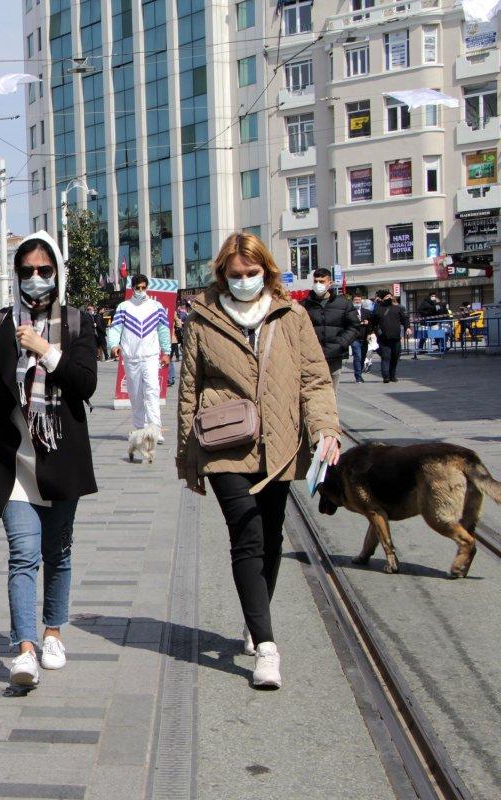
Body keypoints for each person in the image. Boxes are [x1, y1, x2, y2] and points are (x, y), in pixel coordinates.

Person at [176, 232, 340, 690]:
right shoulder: (203, 320)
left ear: (266, 272)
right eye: (236, 275)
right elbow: (189, 387)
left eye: (252, 274)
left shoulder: (292, 316)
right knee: (245, 534)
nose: (244, 282)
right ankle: (267, 648)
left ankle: (255, 618)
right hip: (225, 443)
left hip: (282, 442)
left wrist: (325, 428)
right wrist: (188, 460)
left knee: (270, 537)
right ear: (222, 276)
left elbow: (314, 379)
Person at [0, 231, 97, 688]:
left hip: (61, 456)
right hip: (12, 460)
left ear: (57, 274)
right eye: (27, 272)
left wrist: (47, 351)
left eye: (44, 271)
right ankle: (24, 648)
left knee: (56, 553)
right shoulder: (2, 325)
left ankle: (53, 632)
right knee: (23, 553)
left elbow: (85, 384)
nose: (36, 279)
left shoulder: (79, 323)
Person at [107, 274, 171, 444]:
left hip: (150, 357)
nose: (141, 291)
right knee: (135, 395)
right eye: (138, 288)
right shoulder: (123, 307)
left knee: (152, 391)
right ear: (132, 288)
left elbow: (164, 330)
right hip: (131, 357)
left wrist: (166, 352)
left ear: (147, 287)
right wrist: (114, 345)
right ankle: (140, 429)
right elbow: (115, 329)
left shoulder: (156, 307)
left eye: (143, 287)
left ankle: (155, 430)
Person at [300, 267, 359, 389]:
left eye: (322, 281)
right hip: (311, 357)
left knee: (332, 393)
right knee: (313, 392)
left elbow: (354, 326)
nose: (318, 284)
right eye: (316, 281)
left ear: (329, 283)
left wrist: (341, 343)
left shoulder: (343, 303)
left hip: (334, 356)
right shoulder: (305, 305)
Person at [370, 289, 411, 383]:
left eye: (390, 296)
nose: (389, 298)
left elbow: (404, 319)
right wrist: (372, 332)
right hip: (383, 338)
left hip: (396, 338)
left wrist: (407, 327)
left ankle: (392, 375)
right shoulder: (378, 310)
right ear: (382, 299)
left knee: (395, 357)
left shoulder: (398, 308)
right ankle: (386, 376)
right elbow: (373, 323)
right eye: (387, 297)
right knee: (386, 357)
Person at [350, 293, 371, 383]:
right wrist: (361, 323)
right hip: (354, 338)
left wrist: (370, 332)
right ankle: (358, 376)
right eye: (355, 300)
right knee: (357, 357)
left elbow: (371, 324)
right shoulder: (350, 312)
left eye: (359, 300)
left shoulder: (366, 312)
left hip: (364, 337)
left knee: (362, 356)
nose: (357, 301)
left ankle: (360, 373)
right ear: (352, 301)